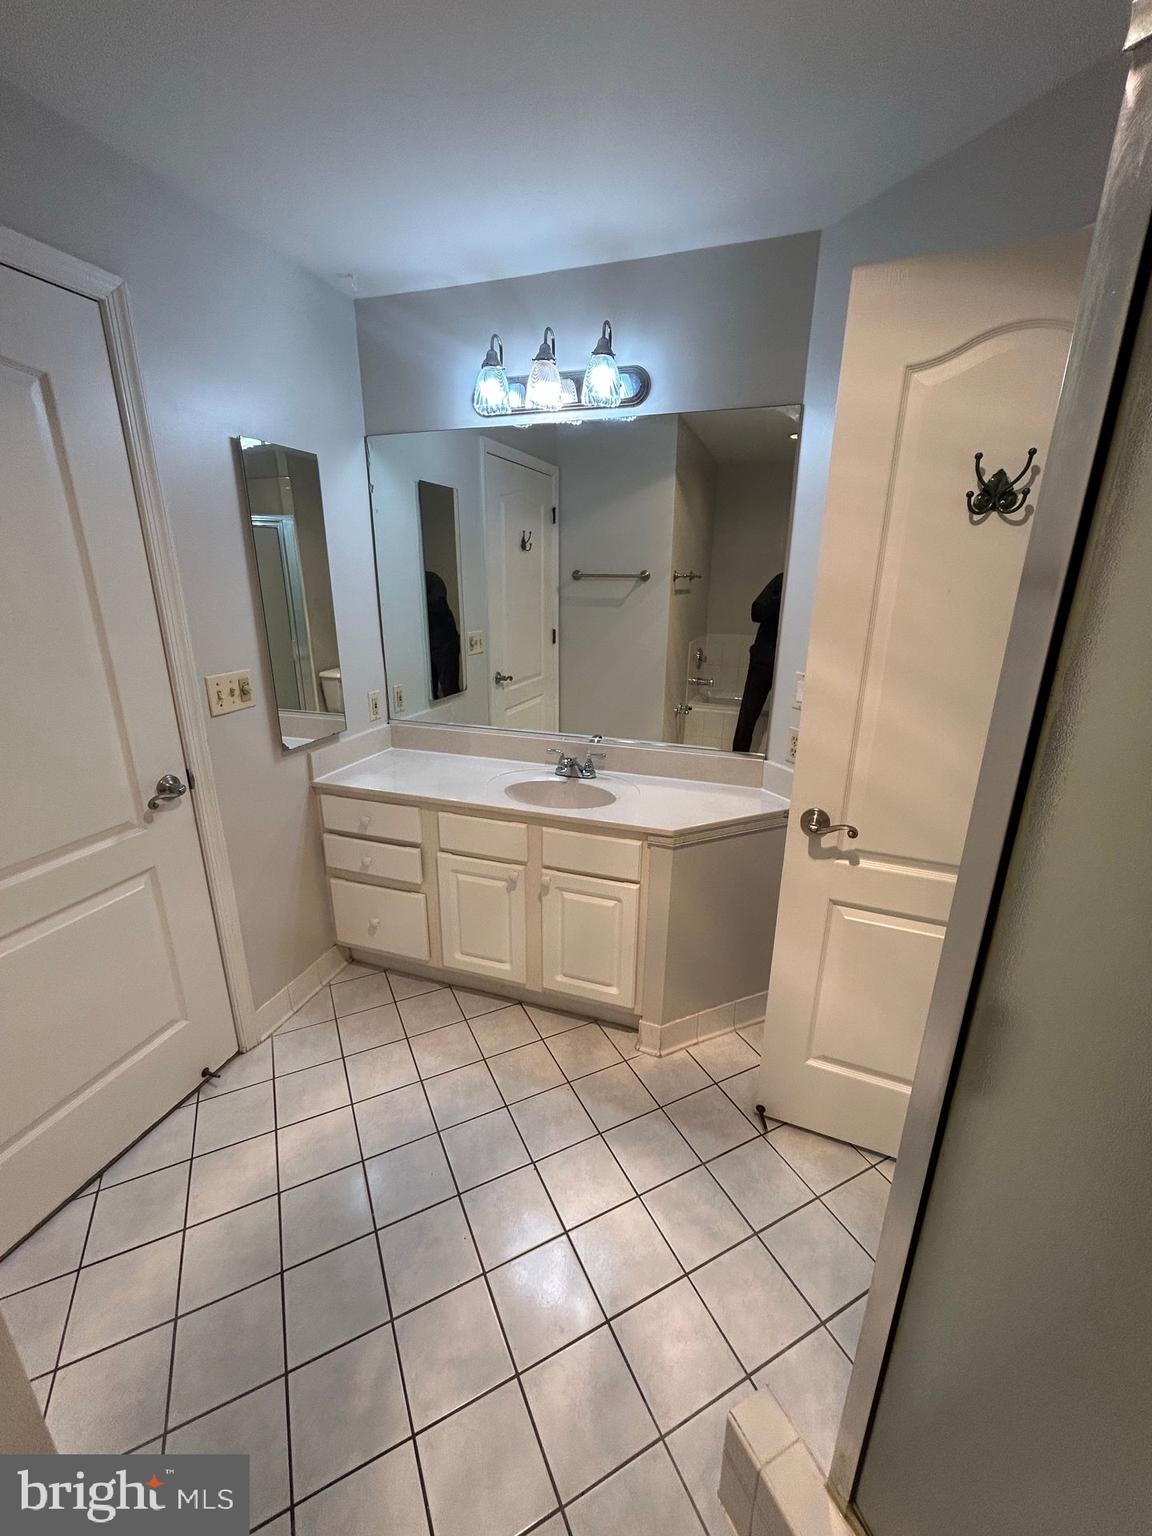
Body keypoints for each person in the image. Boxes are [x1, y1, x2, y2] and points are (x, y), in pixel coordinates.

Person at [732, 572, 783, 752]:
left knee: (785, 716)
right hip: (764, 658)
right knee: (748, 715)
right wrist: (781, 596)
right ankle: (738, 761)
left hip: (787, 662)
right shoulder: (783, 580)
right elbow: (757, 612)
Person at [425, 569, 462, 698]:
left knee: (450, 688)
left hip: (445, 643)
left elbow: (438, 602)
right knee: (428, 692)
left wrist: (415, 600)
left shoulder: (431, 579)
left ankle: (456, 717)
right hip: (424, 645)